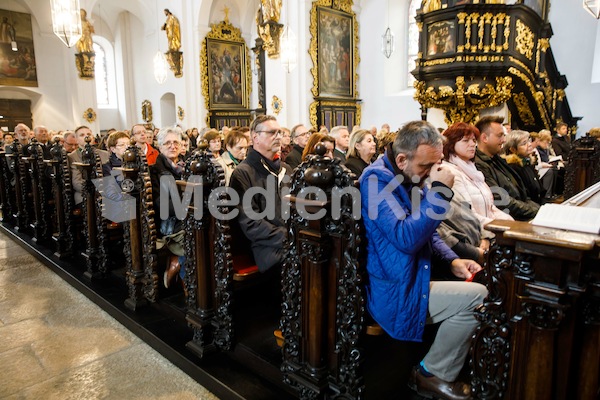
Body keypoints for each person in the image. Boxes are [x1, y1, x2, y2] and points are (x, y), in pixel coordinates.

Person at [359, 120, 487, 400]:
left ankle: (435, 369)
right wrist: (440, 193)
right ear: (402, 159)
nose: (431, 174)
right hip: (394, 289)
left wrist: (453, 260)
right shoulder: (375, 181)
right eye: (426, 167)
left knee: (481, 291)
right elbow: (406, 237)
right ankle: (432, 374)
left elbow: (430, 233)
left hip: (414, 277)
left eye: (435, 165)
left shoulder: (408, 175)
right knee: (478, 297)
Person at [229, 115, 289, 272]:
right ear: (255, 137)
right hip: (264, 246)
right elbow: (250, 223)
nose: (278, 137)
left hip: (289, 239)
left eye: (280, 133)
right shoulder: (242, 173)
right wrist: (286, 236)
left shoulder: (286, 169)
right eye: (272, 133)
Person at [442, 122, 513, 228]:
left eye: (474, 140)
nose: (472, 144)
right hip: (474, 233)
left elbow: (490, 208)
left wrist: (510, 221)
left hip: (487, 228)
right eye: (465, 140)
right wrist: (500, 227)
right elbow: (467, 214)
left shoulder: (472, 169)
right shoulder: (451, 172)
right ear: (451, 145)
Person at [474, 116, 539, 221]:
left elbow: (522, 194)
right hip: (511, 220)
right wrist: (536, 211)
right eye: (500, 136)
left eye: (504, 135)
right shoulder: (479, 164)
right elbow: (501, 200)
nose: (504, 140)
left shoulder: (497, 159)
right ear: (484, 138)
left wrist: (539, 209)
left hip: (523, 214)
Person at [150, 126, 186, 288]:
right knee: (198, 243)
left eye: (176, 142)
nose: (173, 146)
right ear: (159, 146)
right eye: (168, 143)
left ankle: (177, 262)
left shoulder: (186, 165)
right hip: (171, 225)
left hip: (189, 217)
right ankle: (190, 288)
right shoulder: (156, 170)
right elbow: (161, 205)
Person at [68, 126, 109, 206]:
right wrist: (98, 191)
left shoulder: (105, 154)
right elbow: (77, 183)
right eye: (82, 135)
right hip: (84, 196)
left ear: (92, 137)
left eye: (88, 134)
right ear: (76, 139)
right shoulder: (72, 157)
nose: (86, 137)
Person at [504, 130, 545, 205]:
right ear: (513, 149)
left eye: (529, 141)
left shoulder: (527, 163)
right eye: (524, 143)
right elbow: (524, 196)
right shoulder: (514, 167)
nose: (529, 144)